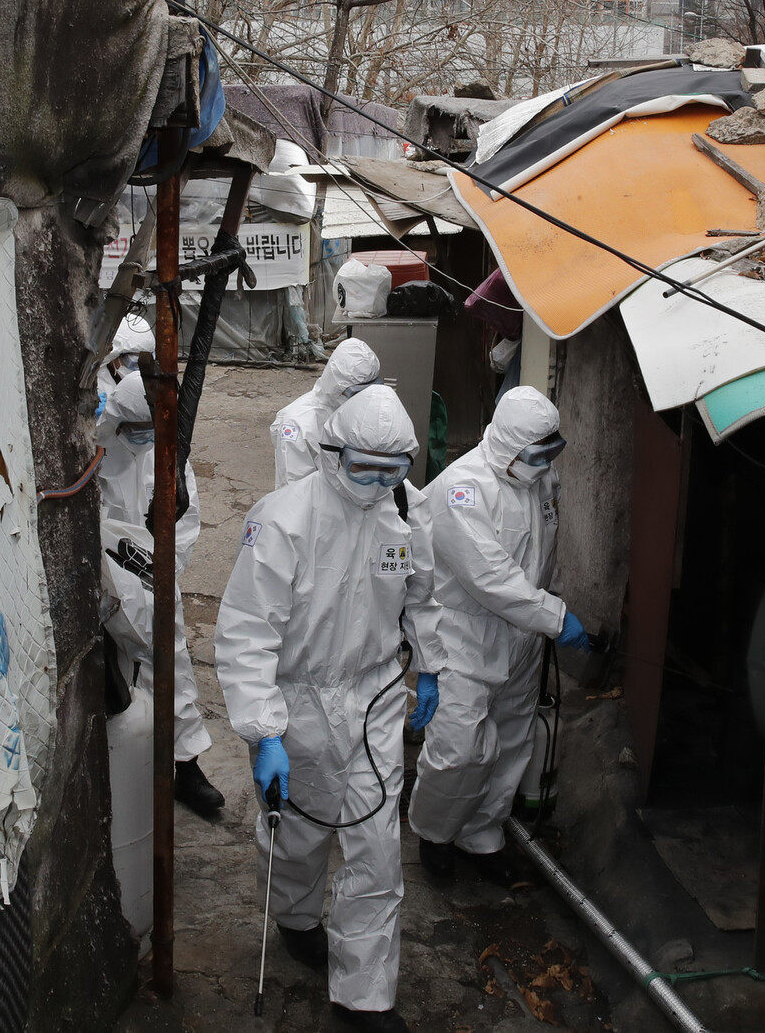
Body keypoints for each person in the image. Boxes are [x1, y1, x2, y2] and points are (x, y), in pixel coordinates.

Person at [216, 385, 445, 1033]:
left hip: (372, 697)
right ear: (329, 452)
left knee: (376, 849)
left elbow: (421, 597)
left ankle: (364, 997)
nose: (376, 483)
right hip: (301, 702)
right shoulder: (283, 518)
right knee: (299, 836)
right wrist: (263, 731)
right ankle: (293, 916)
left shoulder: (403, 511)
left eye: (391, 469)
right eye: (362, 469)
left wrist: (430, 666)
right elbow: (246, 629)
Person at [407, 386, 588, 886]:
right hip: (464, 635)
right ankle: (435, 835)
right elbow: (489, 578)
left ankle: (482, 835)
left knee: (511, 739)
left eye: (552, 451)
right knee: (460, 748)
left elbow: (538, 556)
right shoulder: (461, 490)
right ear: (508, 446)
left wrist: (541, 617)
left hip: (523, 636)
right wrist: (555, 616)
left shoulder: (538, 478)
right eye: (536, 454)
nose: (546, 463)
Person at [98, 371, 225, 817]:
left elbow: (186, 519)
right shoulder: (98, 454)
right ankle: (129, 771)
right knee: (119, 679)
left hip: (156, 580)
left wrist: (163, 567)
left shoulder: (168, 454)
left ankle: (185, 765)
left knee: (175, 670)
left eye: (149, 429)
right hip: (113, 588)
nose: (143, 438)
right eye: (135, 429)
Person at [269, 337, 381, 486]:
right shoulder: (296, 423)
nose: (364, 399)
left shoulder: (356, 410)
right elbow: (294, 488)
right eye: (356, 393)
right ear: (337, 386)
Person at [95, 312, 156, 416]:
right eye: (134, 362)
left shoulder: (153, 385)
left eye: (146, 360)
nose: (140, 369)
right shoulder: (97, 386)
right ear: (113, 356)